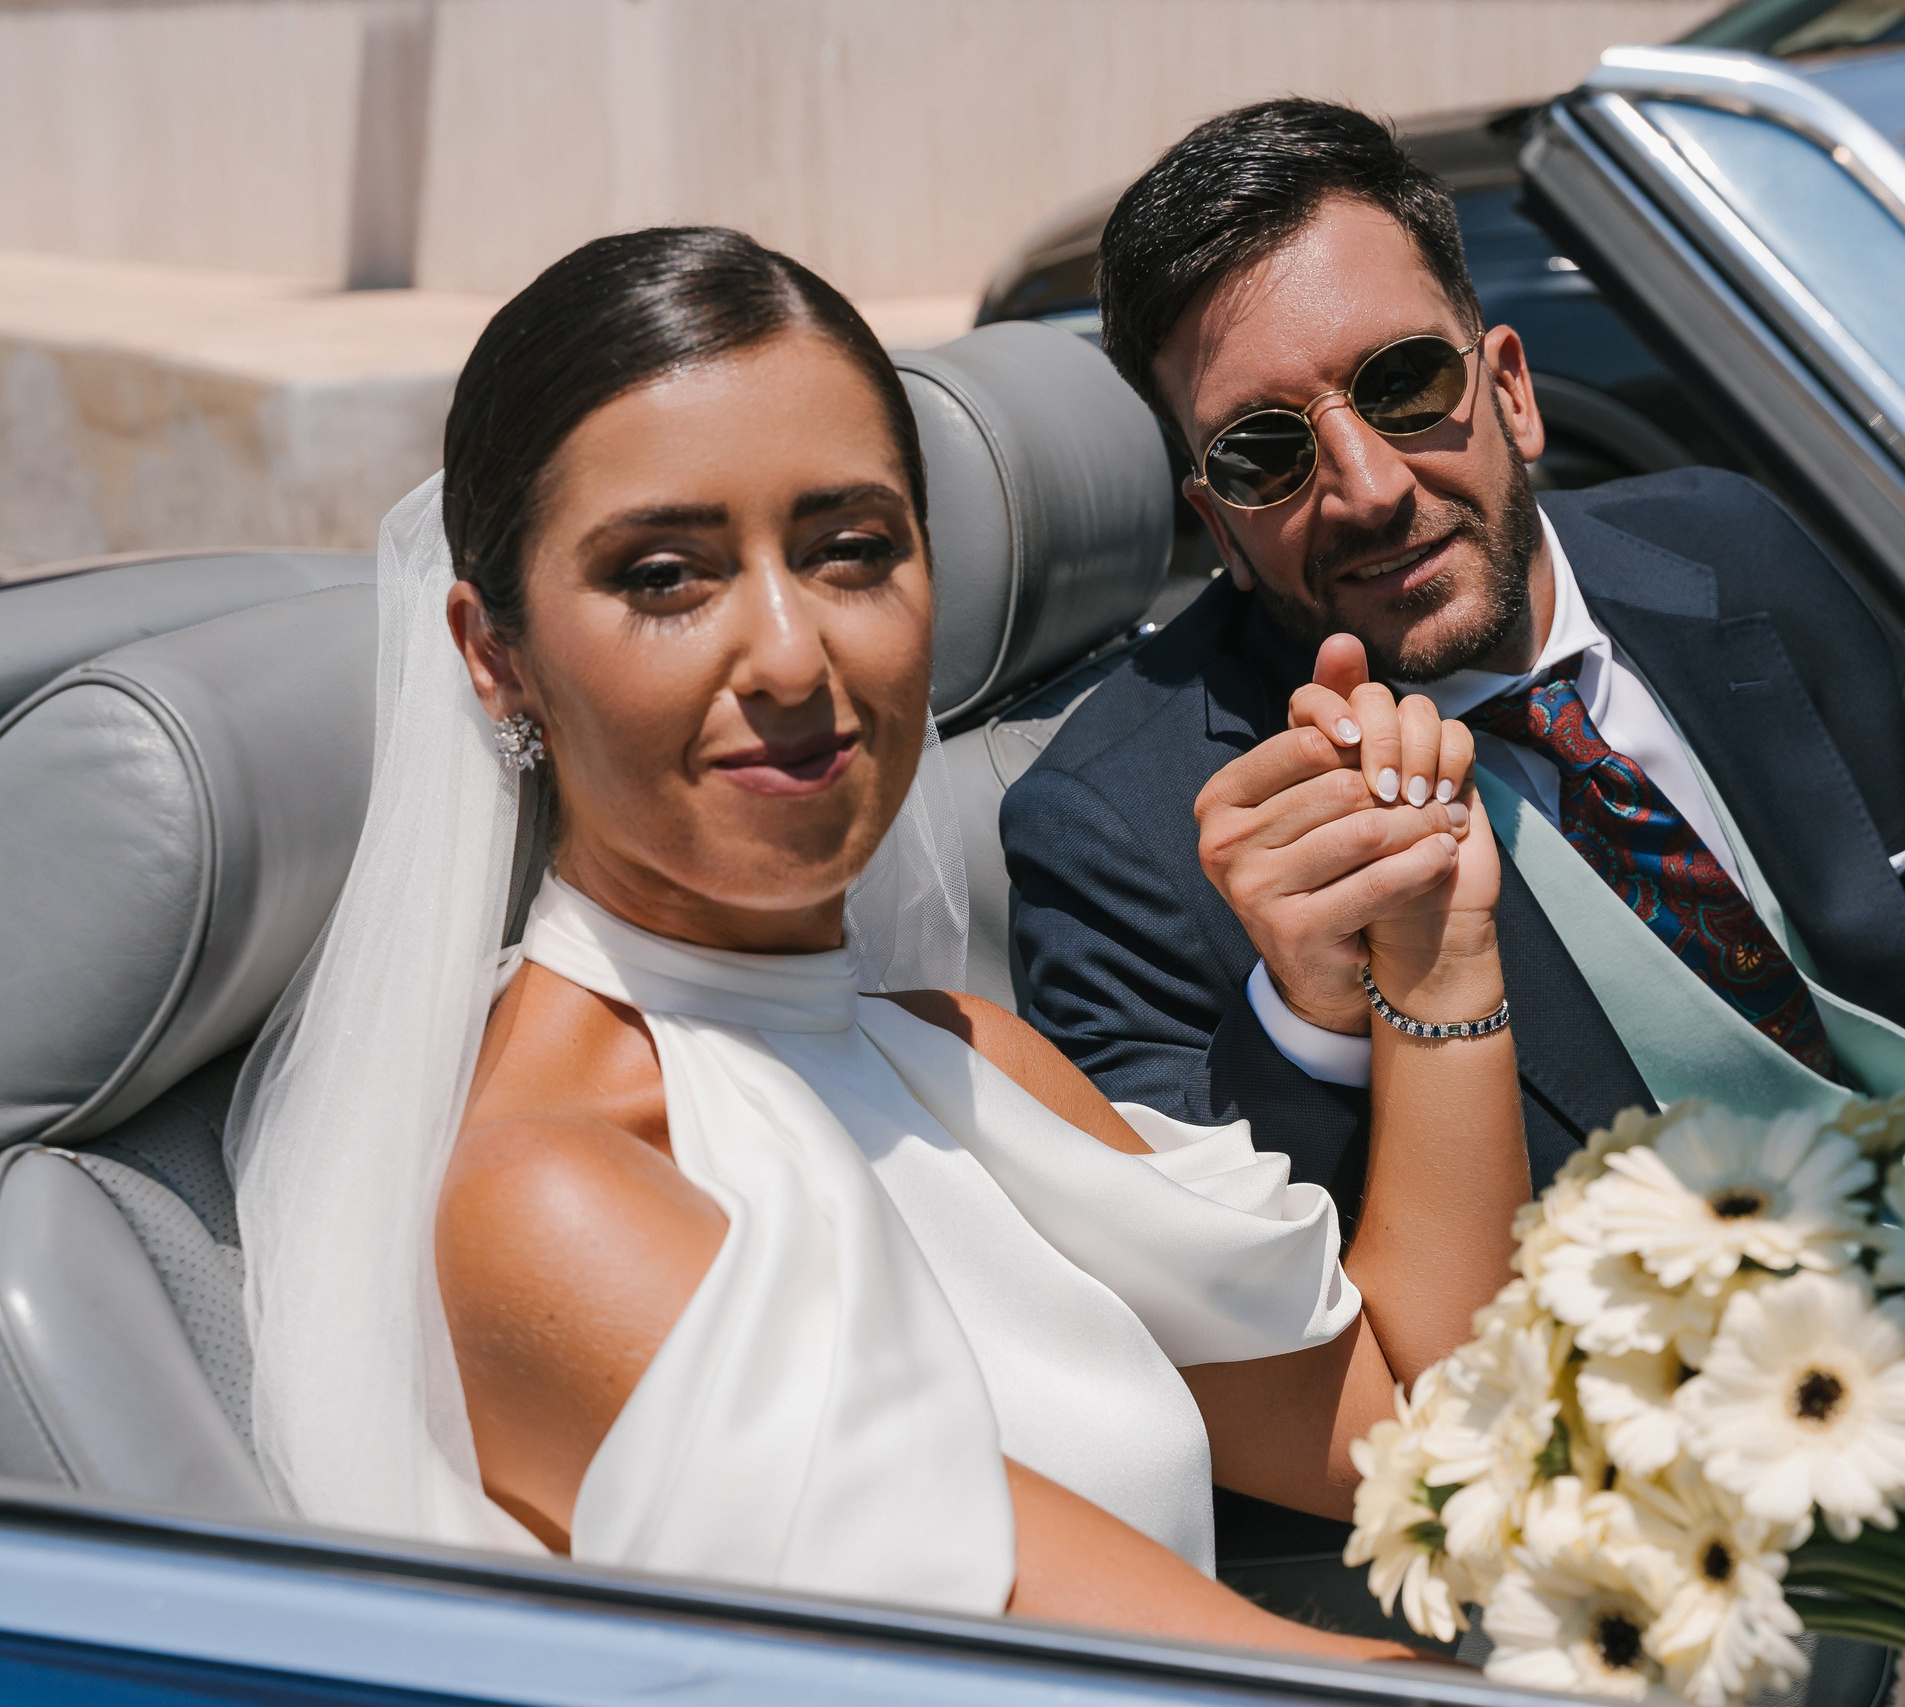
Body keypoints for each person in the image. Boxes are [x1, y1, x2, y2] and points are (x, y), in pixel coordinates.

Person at [997, 100, 1905, 1564]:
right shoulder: (1123, 826)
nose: (1368, 487)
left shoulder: (1736, 548)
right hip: (1732, 1476)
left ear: (1509, 386)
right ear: (1219, 516)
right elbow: (1260, 1331)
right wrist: (1317, 1012)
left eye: (1401, 383)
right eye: (1268, 453)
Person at [222, 226, 1533, 1658]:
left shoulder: (967, 1060)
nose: (792, 657)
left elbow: (1423, 1440)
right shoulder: (551, 1192)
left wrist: (1438, 958)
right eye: (666, 574)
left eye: (853, 552)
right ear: (494, 655)